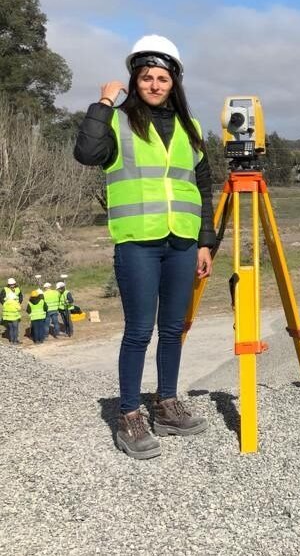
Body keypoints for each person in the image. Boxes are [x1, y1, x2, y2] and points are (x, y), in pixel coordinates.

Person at [74, 34, 213, 460]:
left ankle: (167, 404)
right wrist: (101, 105)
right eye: (147, 77)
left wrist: (206, 242)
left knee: (173, 328)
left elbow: (203, 188)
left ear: (175, 83)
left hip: (182, 242)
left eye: (162, 78)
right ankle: (130, 413)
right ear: (135, 81)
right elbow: (86, 153)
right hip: (137, 242)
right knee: (139, 331)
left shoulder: (190, 129)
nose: (155, 85)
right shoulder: (116, 122)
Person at [3, 278, 23, 345]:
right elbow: (1, 297)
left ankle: (12, 341)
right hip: (14, 312)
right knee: (15, 328)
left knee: (11, 328)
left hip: (11, 310)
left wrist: (19, 302)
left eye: (13, 284)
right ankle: (15, 341)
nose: (12, 285)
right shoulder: (5, 289)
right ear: (9, 284)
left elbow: (21, 296)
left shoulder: (18, 289)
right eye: (11, 284)